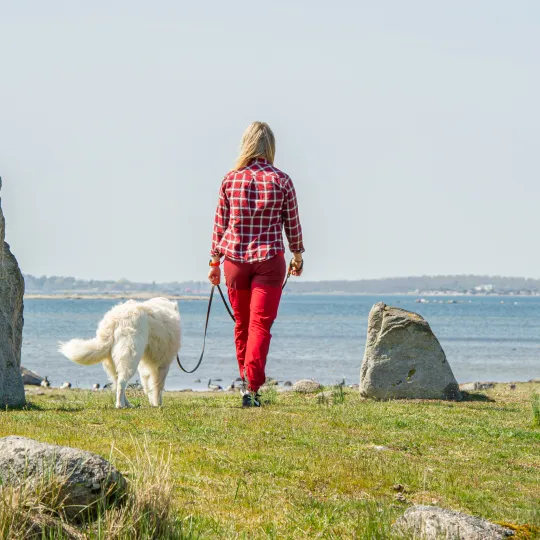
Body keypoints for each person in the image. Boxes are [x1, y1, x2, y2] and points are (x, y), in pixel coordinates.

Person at [208, 121, 305, 407]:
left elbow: (219, 225)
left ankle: (247, 383)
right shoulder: (282, 180)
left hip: (235, 261)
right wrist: (297, 257)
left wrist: (214, 261)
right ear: (270, 147)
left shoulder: (230, 179)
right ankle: (252, 387)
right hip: (269, 259)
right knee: (260, 325)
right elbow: (293, 225)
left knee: (242, 325)